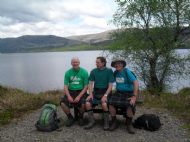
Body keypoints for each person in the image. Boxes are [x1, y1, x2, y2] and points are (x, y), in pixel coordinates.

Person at [109, 59, 139, 134]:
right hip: (118, 93)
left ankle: (129, 124)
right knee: (110, 103)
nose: (117, 65)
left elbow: (135, 83)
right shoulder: (115, 72)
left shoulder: (127, 72)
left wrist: (134, 96)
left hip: (129, 93)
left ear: (122, 64)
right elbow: (110, 81)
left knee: (130, 104)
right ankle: (114, 122)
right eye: (116, 64)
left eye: (119, 63)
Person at [84, 57, 114, 130]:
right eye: (96, 62)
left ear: (103, 63)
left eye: (98, 62)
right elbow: (90, 84)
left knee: (104, 104)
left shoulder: (109, 71)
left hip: (106, 91)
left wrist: (105, 95)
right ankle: (92, 121)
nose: (96, 64)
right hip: (96, 92)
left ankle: (106, 122)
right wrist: (90, 94)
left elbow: (110, 86)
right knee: (87, 103)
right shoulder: (93, 71)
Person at [60, 57, 89, 127]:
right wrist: (69, 96)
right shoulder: (68, 73)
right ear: (71, 63)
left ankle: (80, 117)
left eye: (76, 62)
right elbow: (65, 86)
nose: (75, 63)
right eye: (73, 62)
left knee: (83, 103)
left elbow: (86, 87)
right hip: (71, 92)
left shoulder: (84, 72)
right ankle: (70, 118)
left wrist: (79, 96)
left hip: (81, 91)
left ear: (79, 63)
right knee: (63, 103)